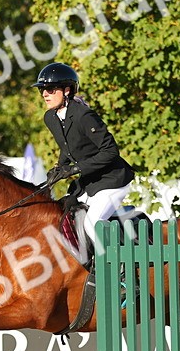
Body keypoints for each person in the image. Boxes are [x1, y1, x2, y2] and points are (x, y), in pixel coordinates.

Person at [33, 62, 134, 248]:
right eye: (42, 90)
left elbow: (111, 151)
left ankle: (116, 265)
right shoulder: (51, 117)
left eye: (50, 89)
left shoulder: (84, 115)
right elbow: (67, 147)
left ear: (67, 90)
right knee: (66, 216)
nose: (45, 94)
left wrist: (75, 168)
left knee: (91, 223)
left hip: (113, 179)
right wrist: (58, 168)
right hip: (89, 181)